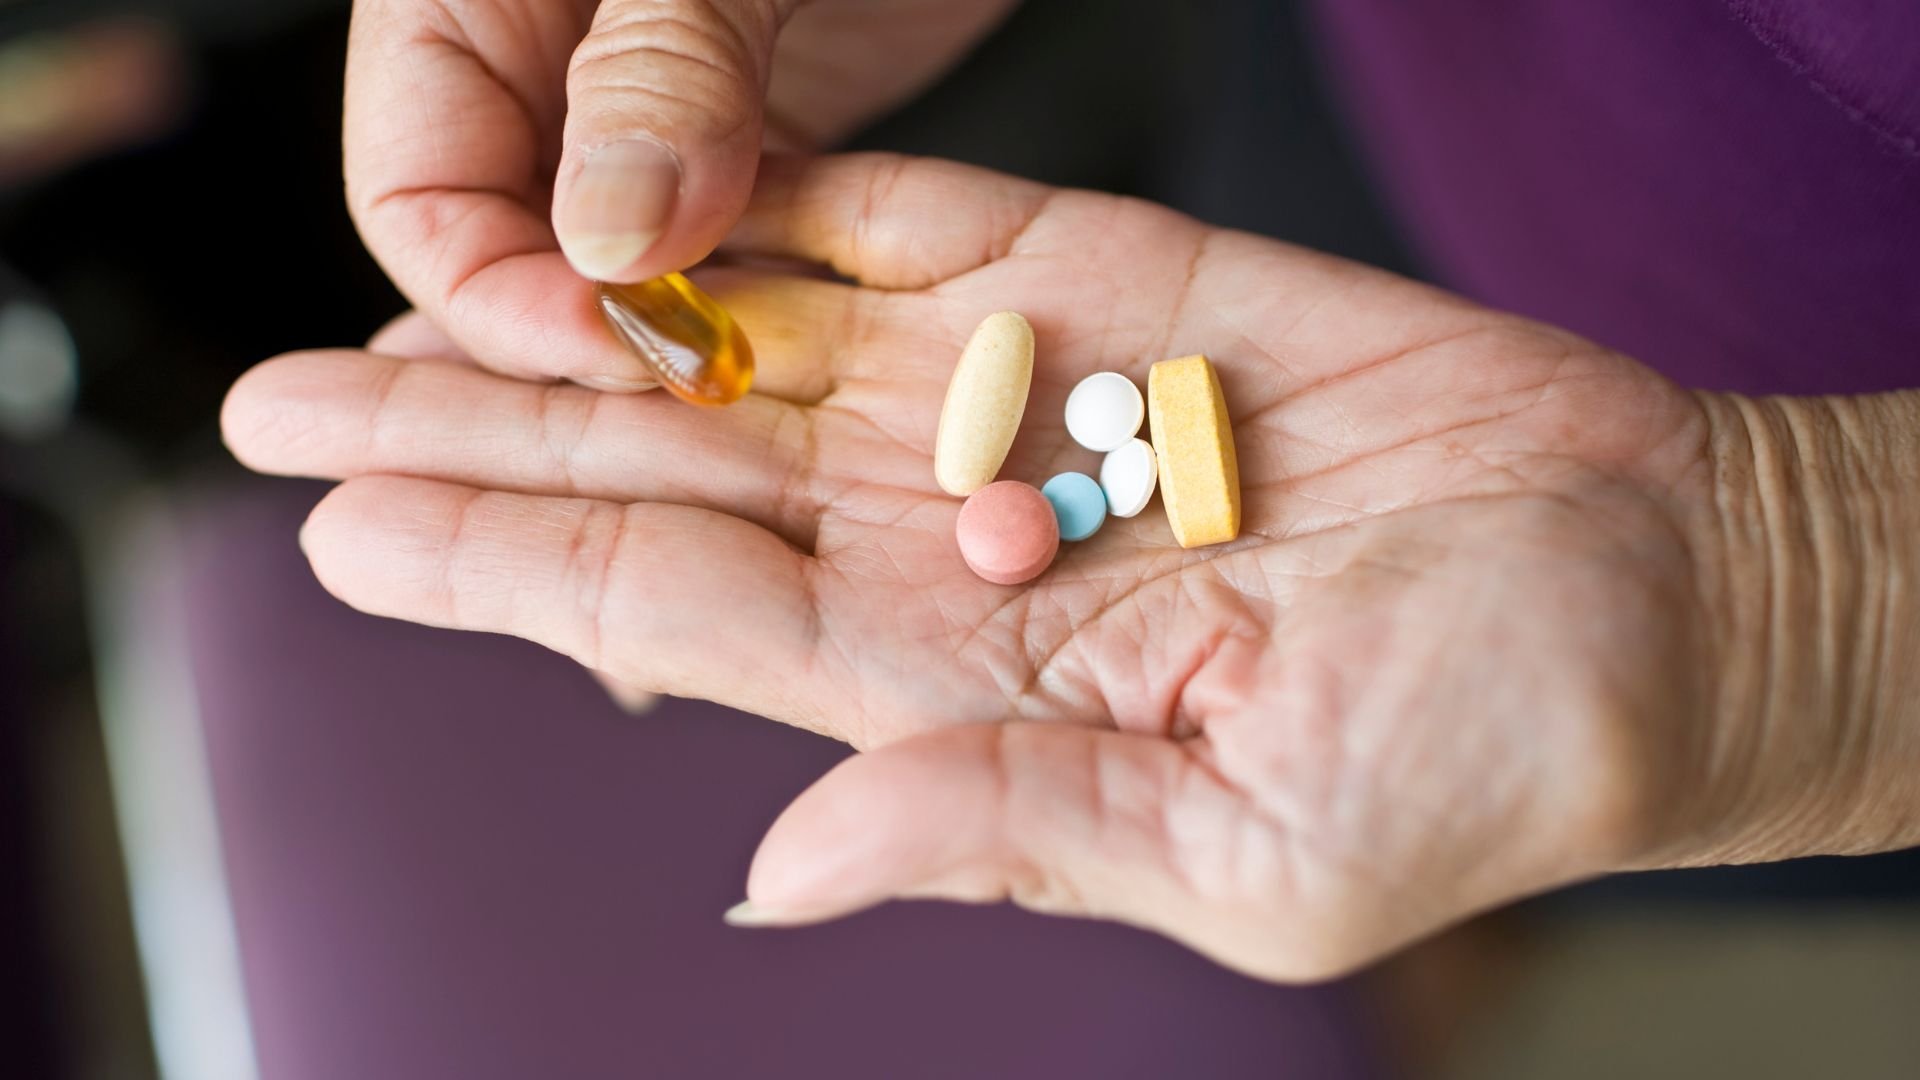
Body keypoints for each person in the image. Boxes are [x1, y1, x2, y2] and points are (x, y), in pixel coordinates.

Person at [219, 0, 1919, 981]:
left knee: (1535, 844)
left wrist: (1795, 592)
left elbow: (1777, 610)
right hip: (1403, 139)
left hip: (1833, 584)